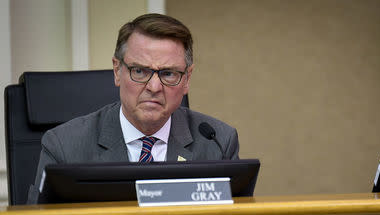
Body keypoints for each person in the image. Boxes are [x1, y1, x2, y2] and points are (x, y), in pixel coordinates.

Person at [27, 13, 239, 204]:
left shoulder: (217, 144)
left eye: (168, 74)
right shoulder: (65, 146)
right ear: (118, 71)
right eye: (139, 71)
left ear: (187, 79)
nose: (154, 87)